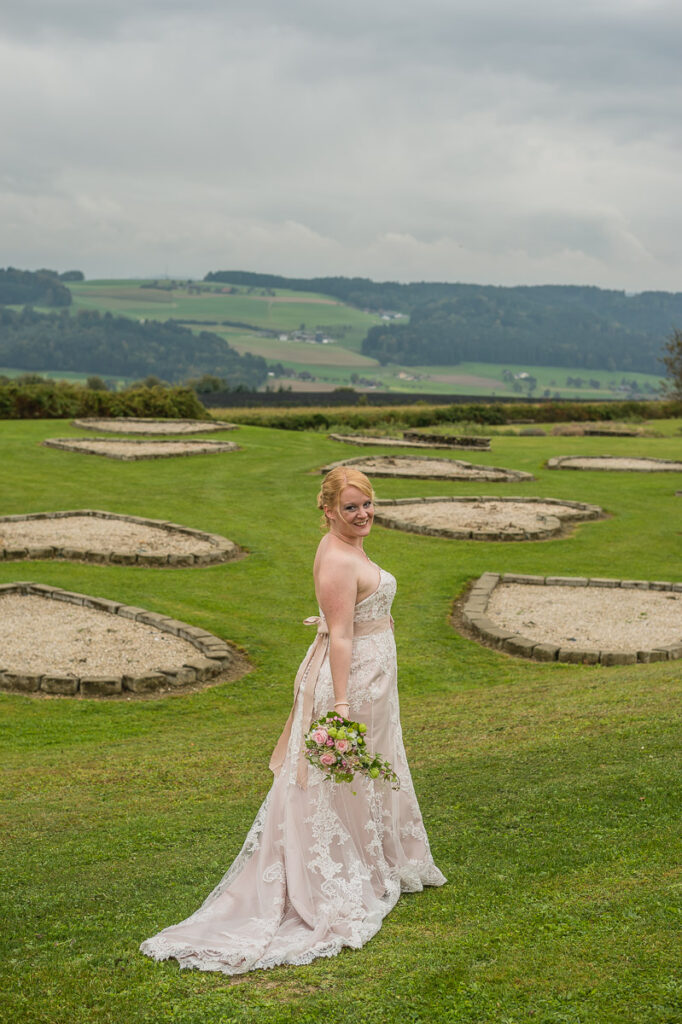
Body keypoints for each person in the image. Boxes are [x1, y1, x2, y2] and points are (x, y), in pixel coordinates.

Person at [140, 467, 445, 974]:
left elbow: (349, 617)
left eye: (367, 504)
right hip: (353, 683)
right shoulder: (338, 557)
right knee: (337, 778)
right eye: (350, 508)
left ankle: (377, 858)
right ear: (328, 510)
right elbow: (341, 635)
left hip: (373, 678)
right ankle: (331, 876)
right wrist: (342, 705)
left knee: (366, 771)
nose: (363, 514)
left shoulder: (346, 545)